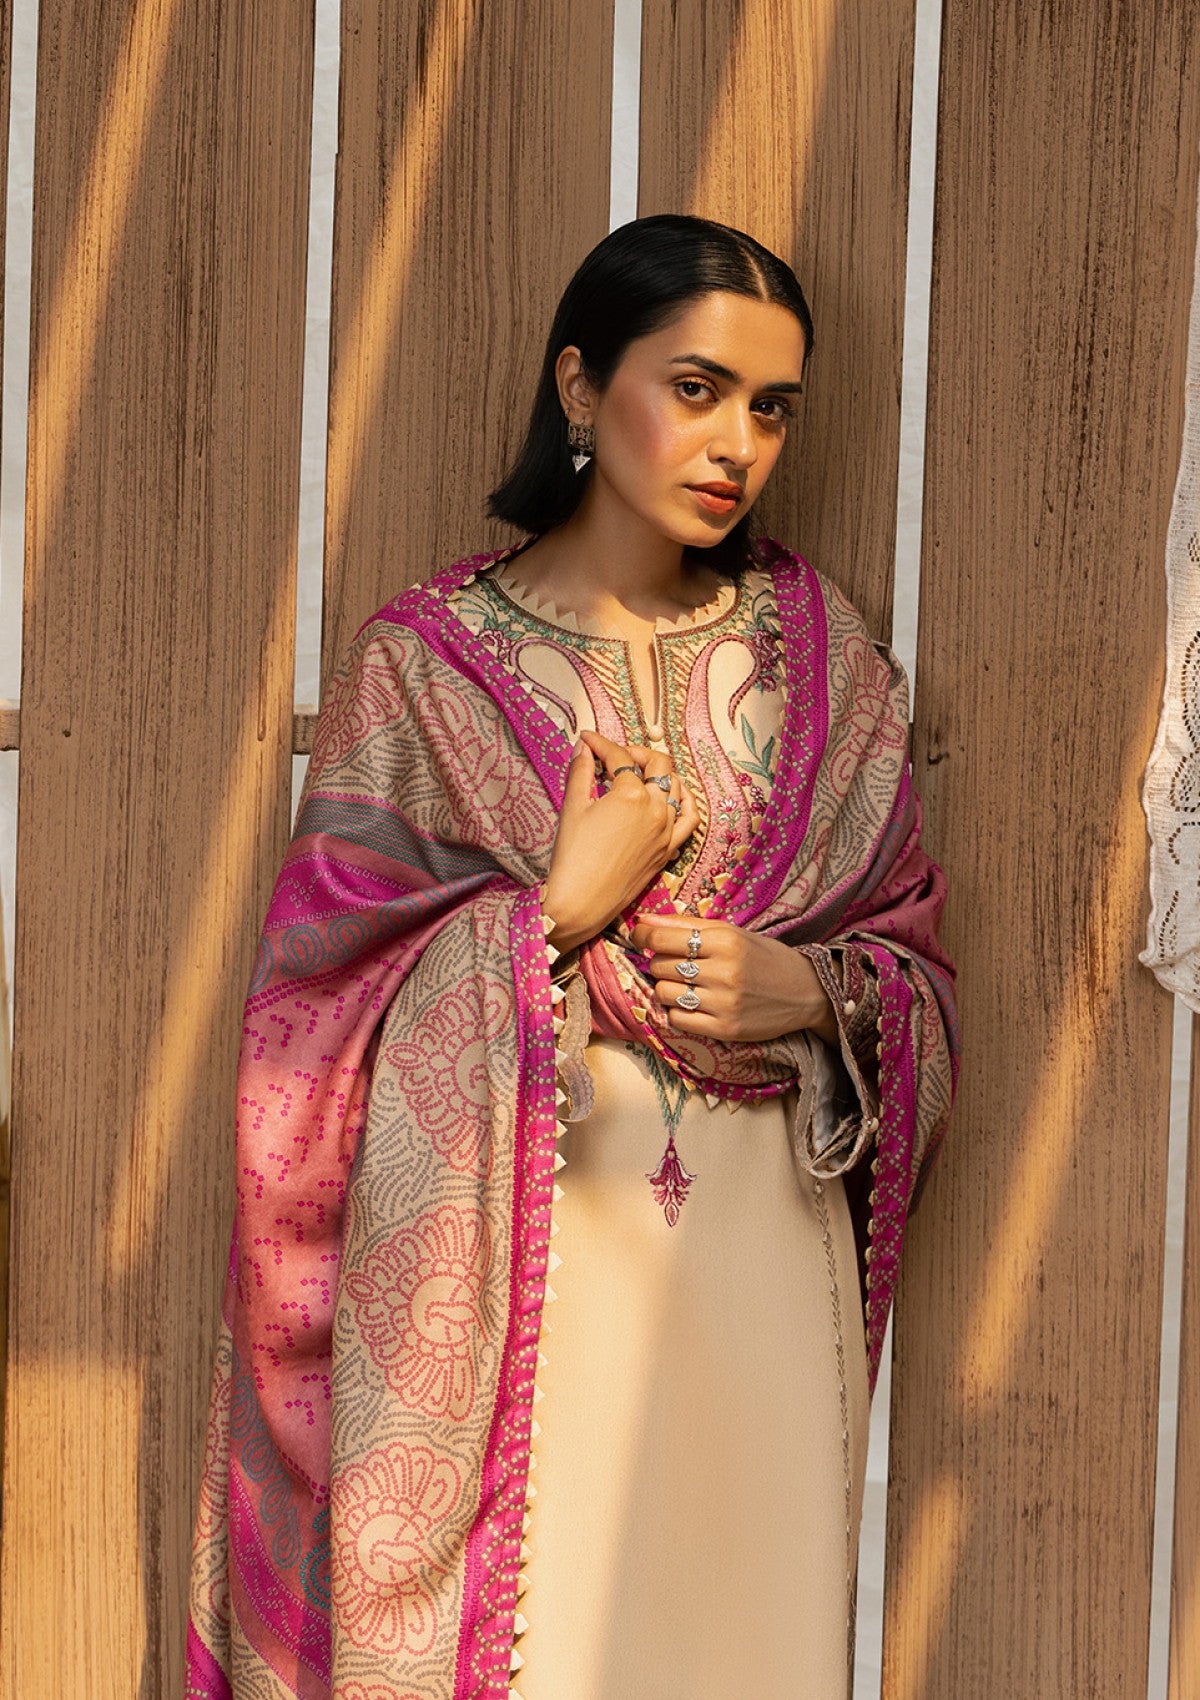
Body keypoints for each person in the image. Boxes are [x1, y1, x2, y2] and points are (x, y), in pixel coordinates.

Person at [186, 214, 958, 1700]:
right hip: (523, 1290)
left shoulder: (829, 659)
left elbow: (907, 952)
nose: (737, 444)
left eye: (773, 408)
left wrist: (817, 993)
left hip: (761, 1277)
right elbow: (313, 1021)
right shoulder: (420, 668)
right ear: (582, 385)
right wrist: (548, 915)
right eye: (698, 389)